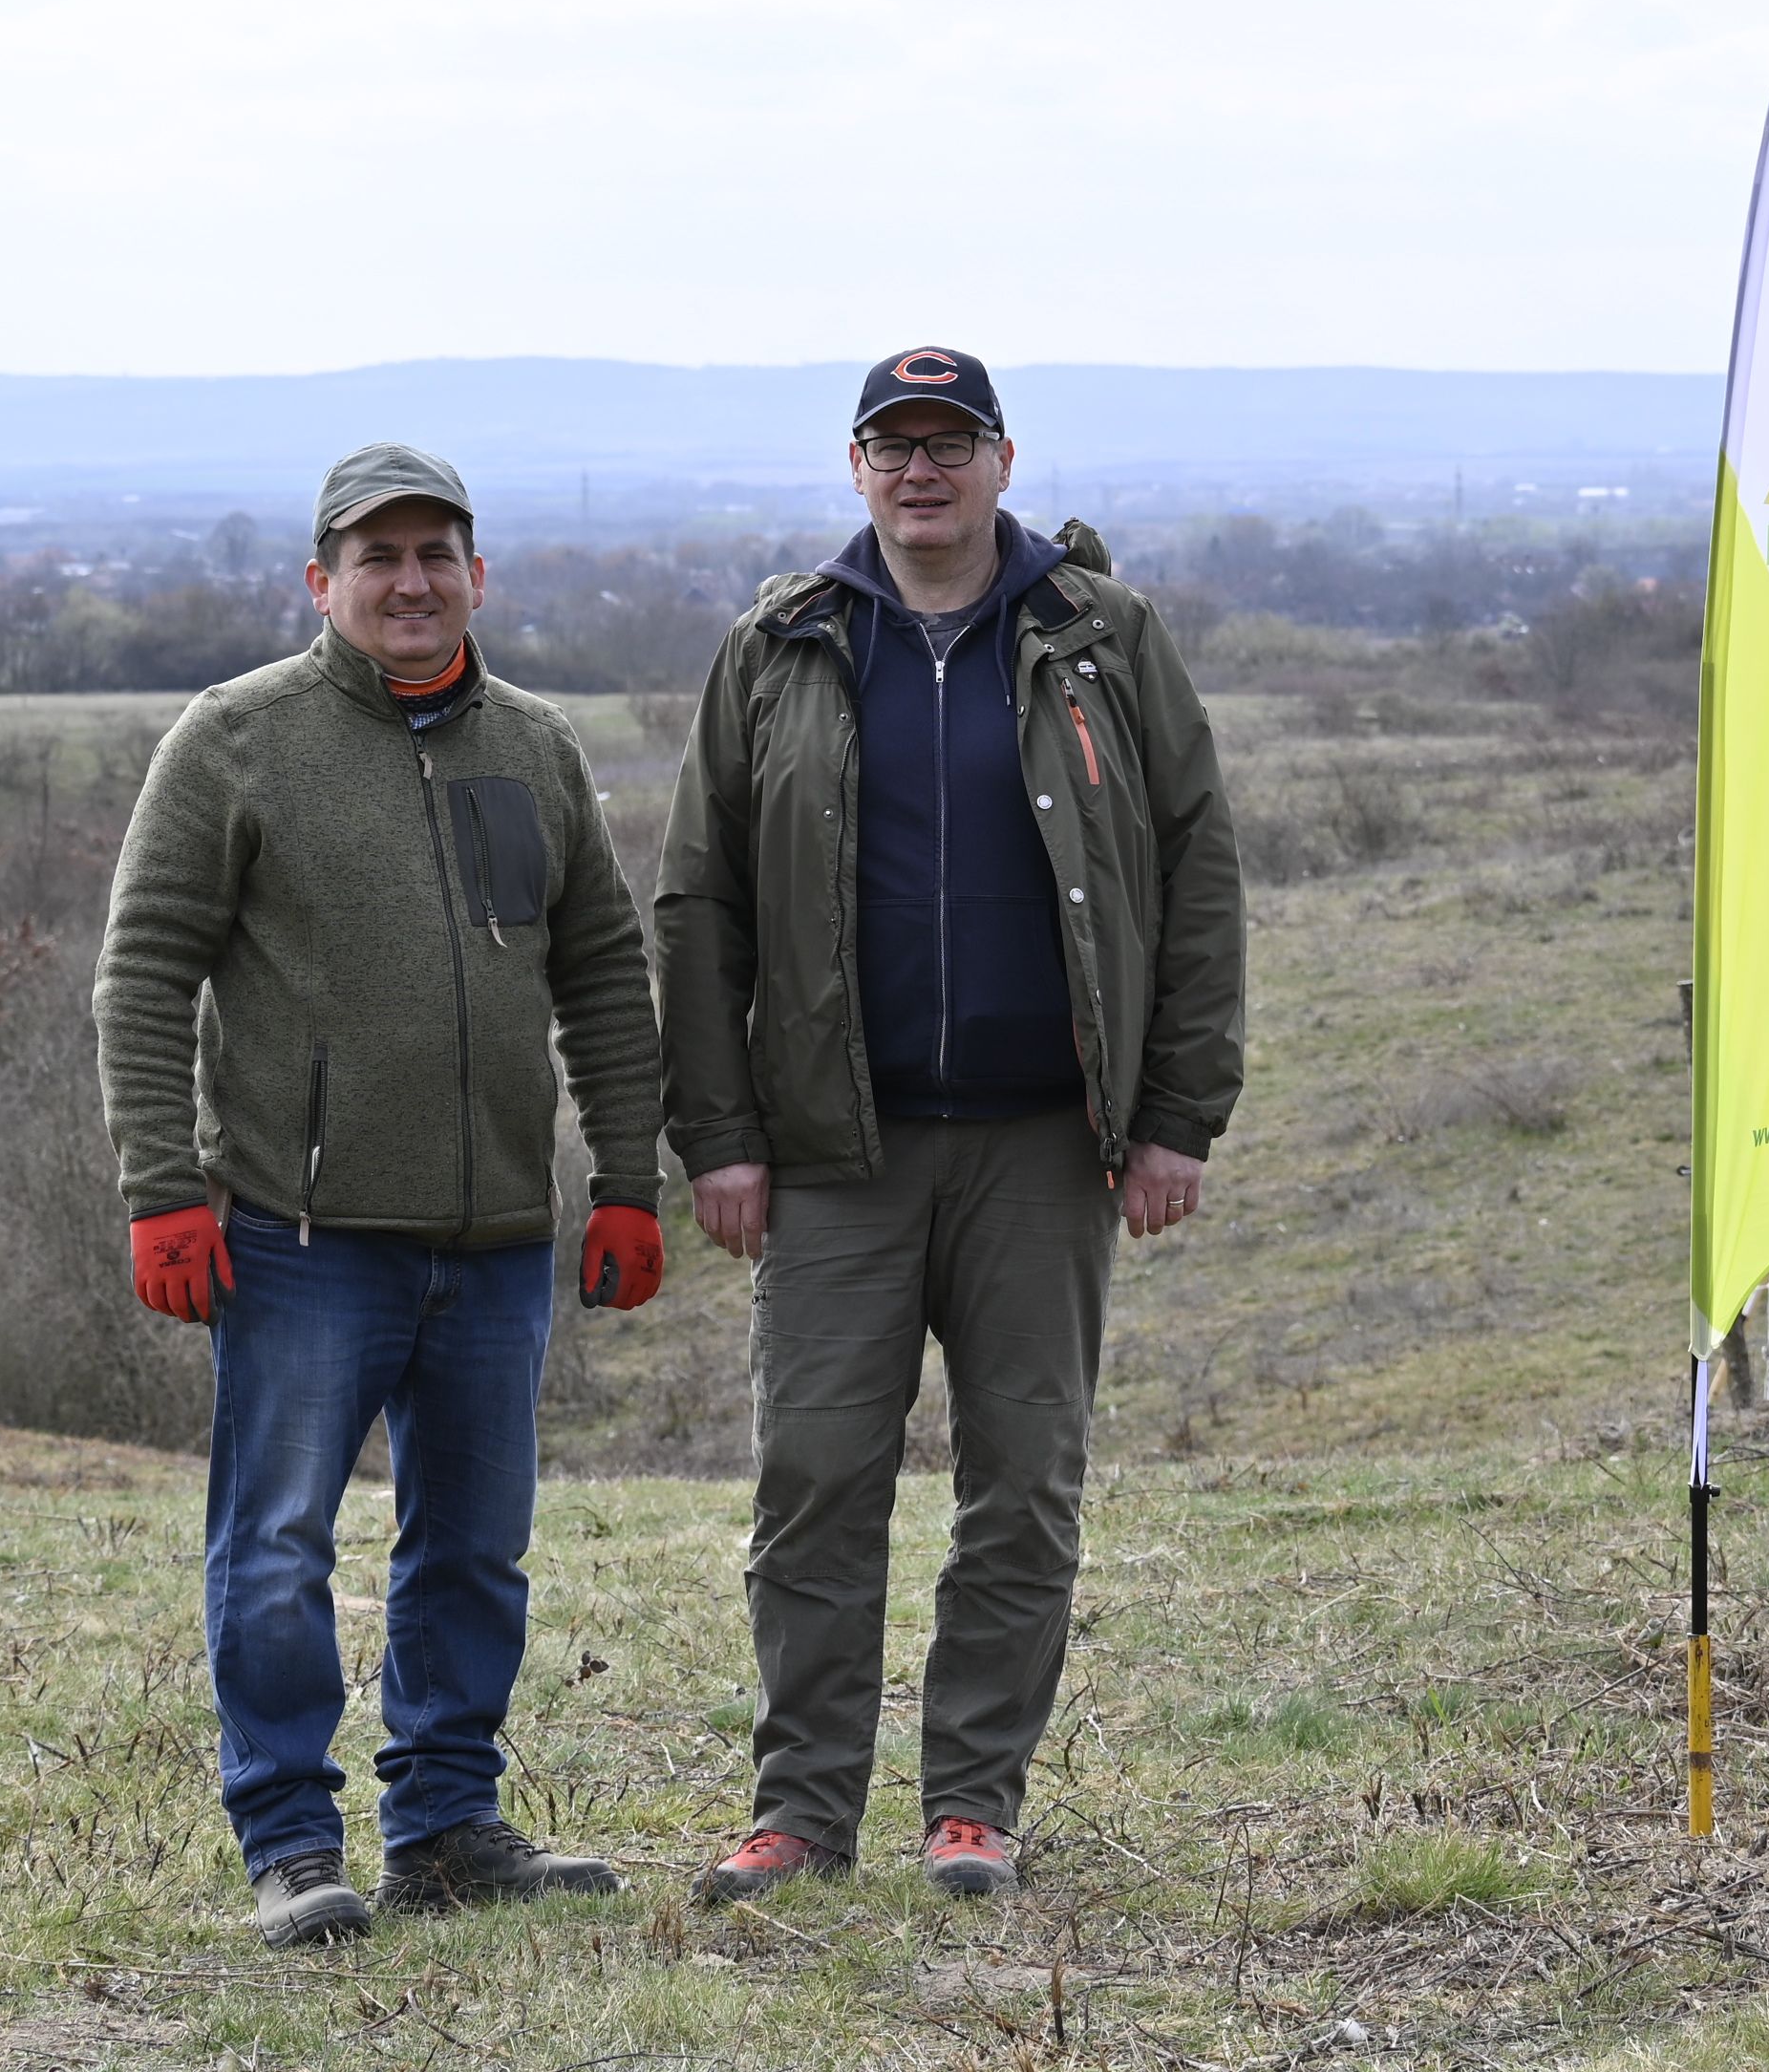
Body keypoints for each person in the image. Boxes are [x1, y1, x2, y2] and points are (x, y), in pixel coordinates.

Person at [655, 347, 1246, 1903]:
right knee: (813, 1485)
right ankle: (801, 1815)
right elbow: (699, 902)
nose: (922, 470)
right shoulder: (778, 647)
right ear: (856, 467)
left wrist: (1177, 1115)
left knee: (1025, 1488)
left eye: (950, 442)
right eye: (893, 444)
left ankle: (973, 1806)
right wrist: (719, 1134)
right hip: (832, 1153)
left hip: (1045, 1145)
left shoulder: (1103, 637)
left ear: (1002, 459)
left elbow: (1196, 869)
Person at [94, 442, 671, 1947]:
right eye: (378, 558)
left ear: (478, 576)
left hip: (497, 1241)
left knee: (473, 1550)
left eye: (435, 556)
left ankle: (448, 1832)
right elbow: (142, 975)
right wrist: (163, 1188)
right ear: (321, 581)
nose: (409, 583)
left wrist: (626, 1179)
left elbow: (605, 977)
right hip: (302, 1241)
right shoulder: (235, 740)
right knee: (279, 1545)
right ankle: (292, 1842)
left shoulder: (536, 747)